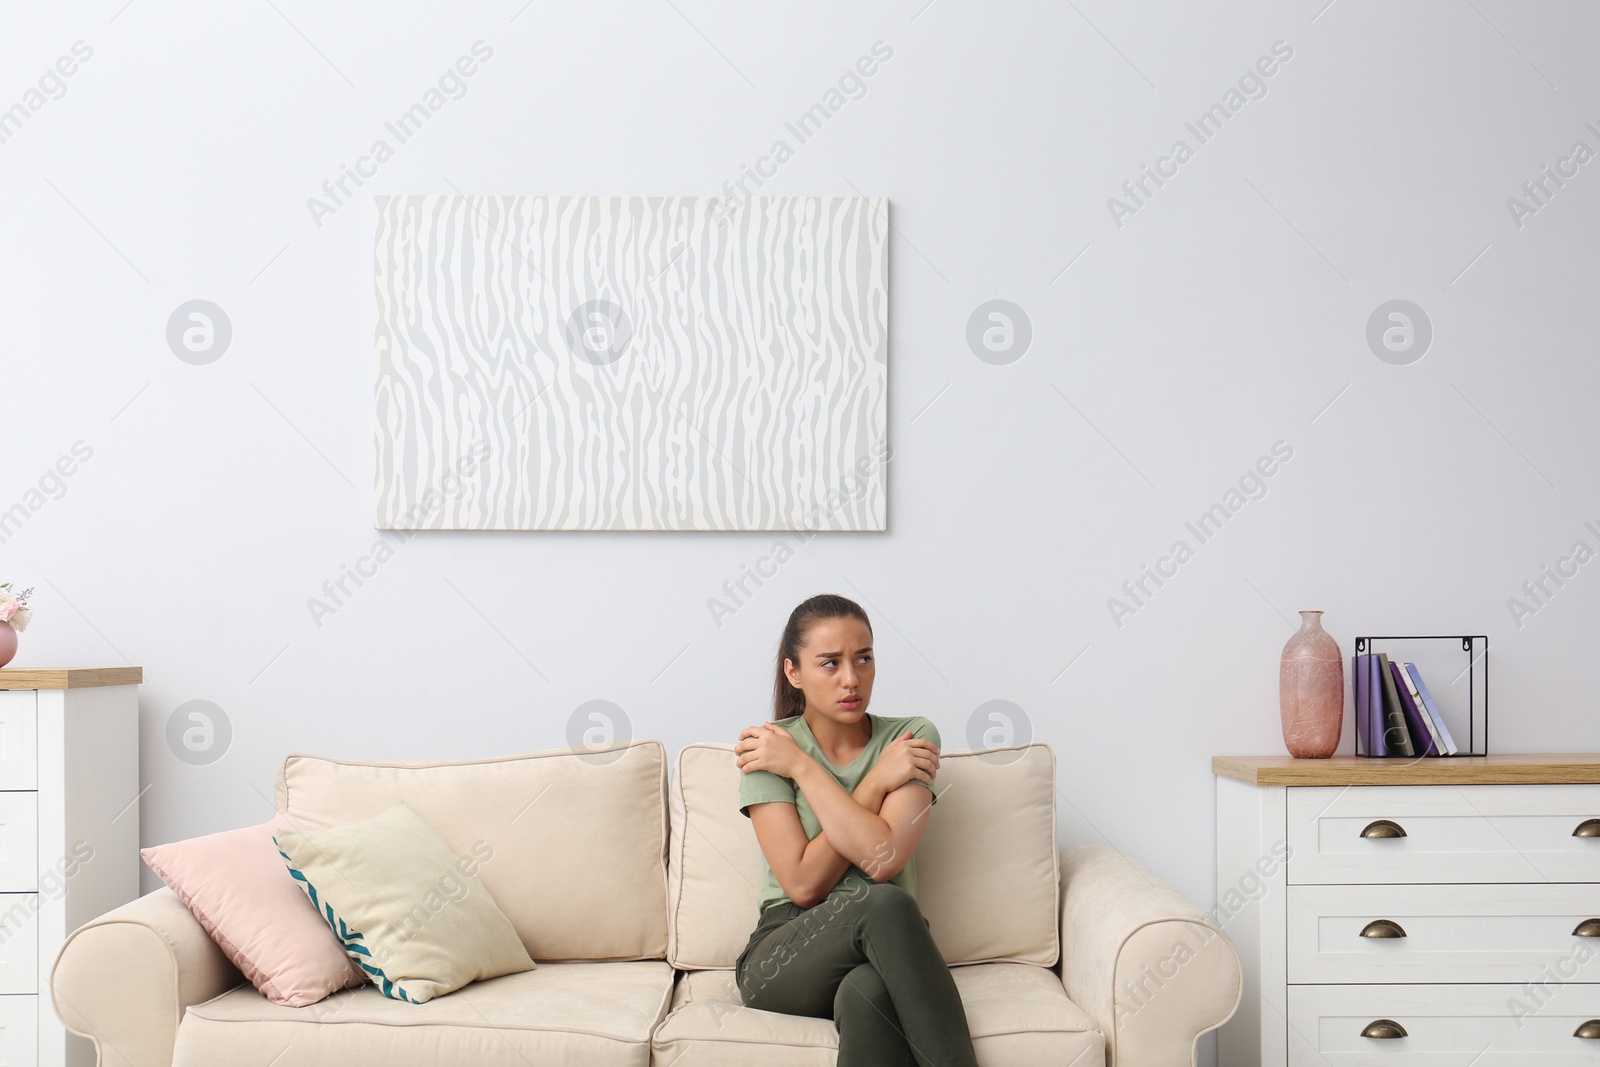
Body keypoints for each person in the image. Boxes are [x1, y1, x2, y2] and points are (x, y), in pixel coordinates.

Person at [733, 593, 980, 1067]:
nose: (852, 679)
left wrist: (808, 772)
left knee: (868, 992)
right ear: (794, 673)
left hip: (888, 950)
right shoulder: (772, 751)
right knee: (883, 902)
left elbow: (884, 857)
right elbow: (803, 885)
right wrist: (816, 770)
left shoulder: (909, 737)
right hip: (783, 955)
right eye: (830, 663)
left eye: (863, 659)